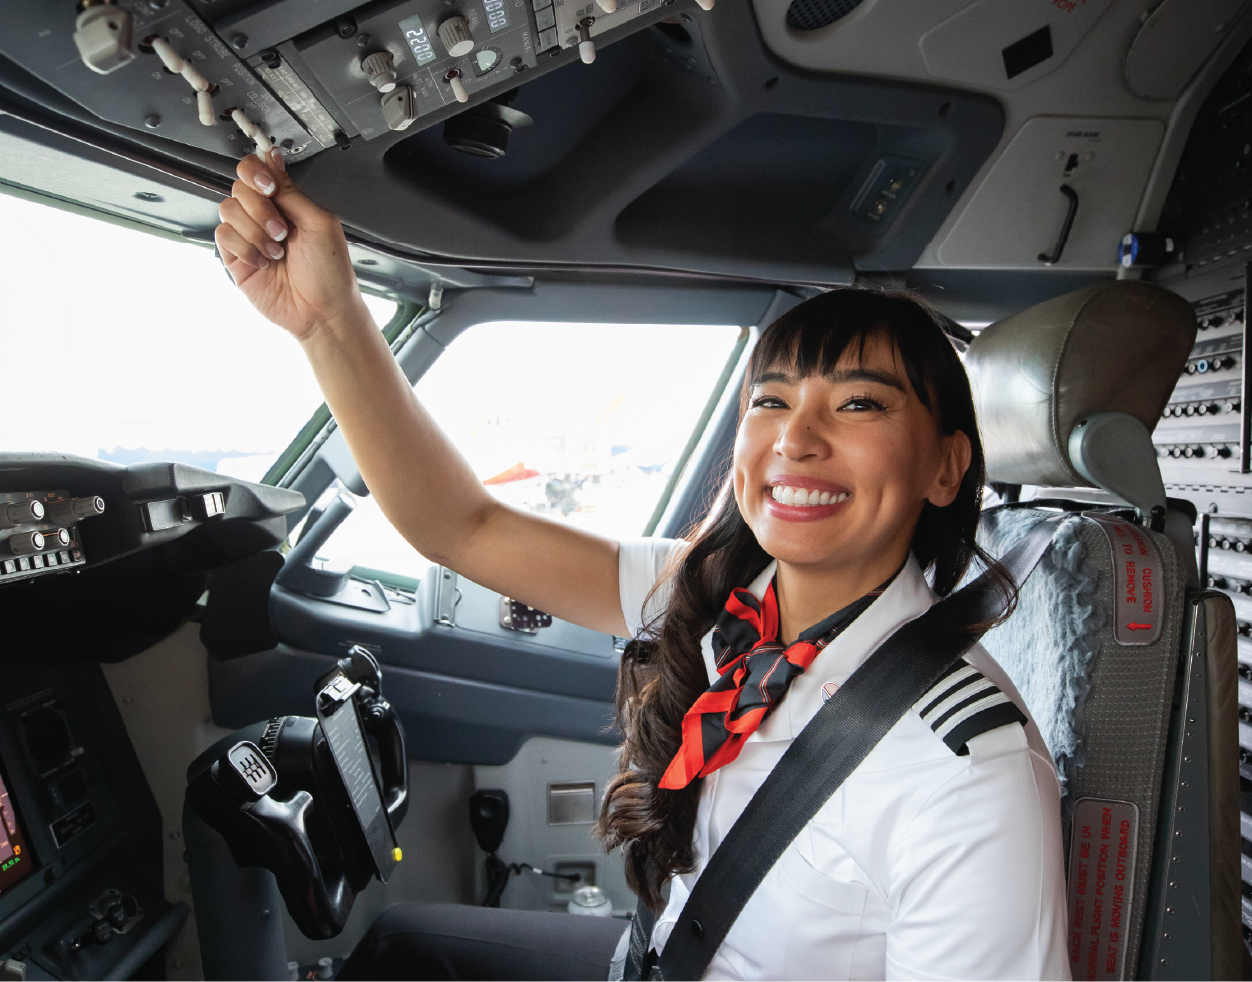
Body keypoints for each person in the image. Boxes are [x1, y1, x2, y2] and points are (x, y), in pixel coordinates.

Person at [216, 150, 1070, 982]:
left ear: (946, 467)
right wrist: (328, 321)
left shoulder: (969, 777)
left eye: (858, 404)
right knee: (402, 947)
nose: (795, 442)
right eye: (770, 400)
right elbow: (460, 526)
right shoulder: (721, 594)